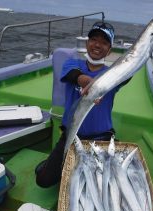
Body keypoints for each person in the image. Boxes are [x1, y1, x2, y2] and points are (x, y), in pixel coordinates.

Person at [35, 21, 129, 188]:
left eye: (104, 42)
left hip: (102, 139)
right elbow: (75, 76)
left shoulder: (112, 76)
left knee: (100, 186)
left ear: (110, 50)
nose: (97, 45)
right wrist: (90, 83)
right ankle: (50, 163)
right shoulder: (72, 64)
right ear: (86, 43)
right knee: (43, 180)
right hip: (71, 136)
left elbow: (128, 72)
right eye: (93, 39)